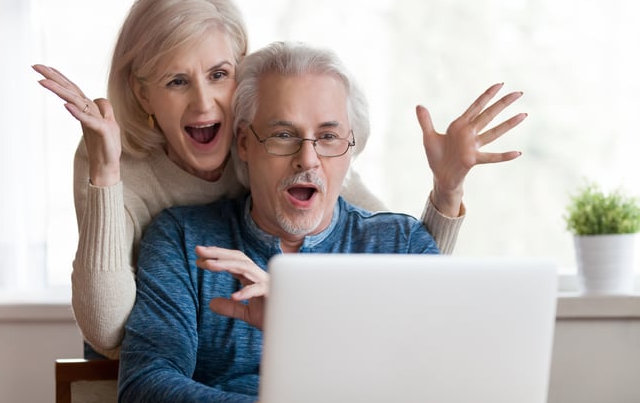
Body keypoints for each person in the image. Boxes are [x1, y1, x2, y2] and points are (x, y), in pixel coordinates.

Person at [33, 0, 522, 359]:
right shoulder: (122, 164)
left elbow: (395, 257)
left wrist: (447, 190)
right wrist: (104, 171)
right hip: (143, 337)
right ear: (143, 94)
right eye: (177, 80)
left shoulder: (290, 145)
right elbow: (108, 330)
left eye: (219, 75)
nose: (205, 103)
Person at [118, 41, 523, 402]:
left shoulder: (400, 244)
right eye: (282, 135)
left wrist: (302, 323)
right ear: (244, 143)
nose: (307, 159)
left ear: (350, 148)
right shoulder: (184, 240)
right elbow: (143, 385)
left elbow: (443, 382)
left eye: (328, 137)